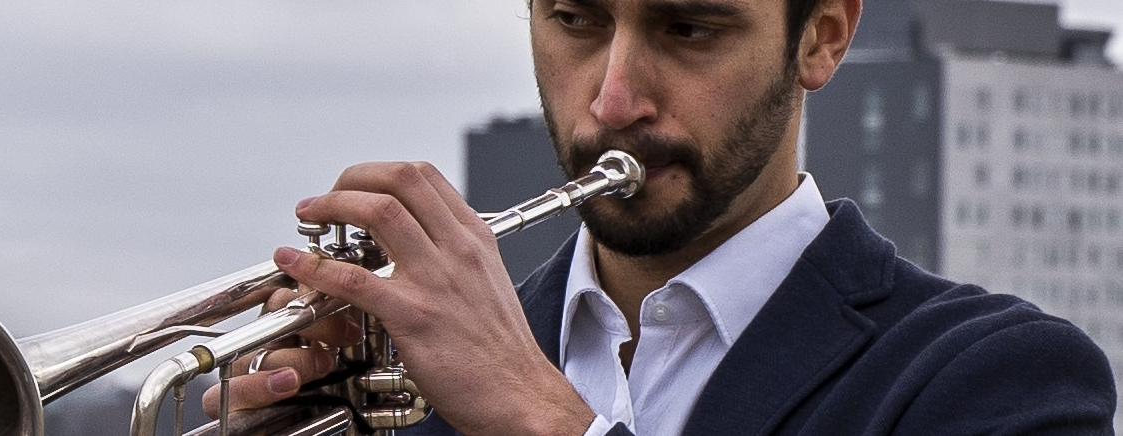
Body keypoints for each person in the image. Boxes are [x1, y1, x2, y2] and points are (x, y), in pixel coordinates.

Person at [203, 0, 1116, 434]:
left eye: (689, 28)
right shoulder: (422, 386)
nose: (613, 100)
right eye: (576, 19)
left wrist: (540, 419)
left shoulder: (998, 380)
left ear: (823, 36)